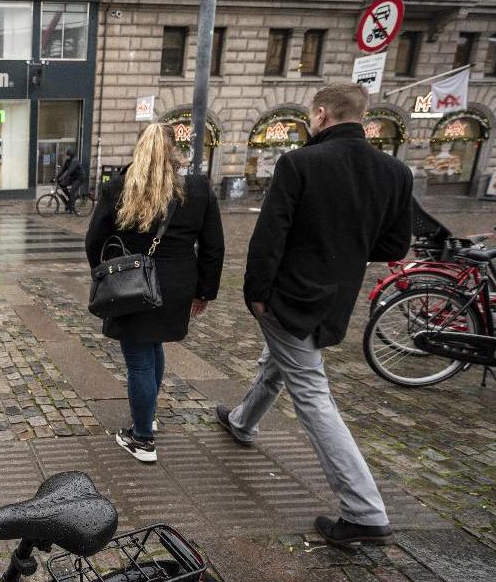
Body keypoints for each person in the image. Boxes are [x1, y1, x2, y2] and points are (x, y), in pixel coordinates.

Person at [214, 83, 413, 546]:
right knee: (281, 361)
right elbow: (394, 245)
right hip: (334, 298)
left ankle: (364, 510)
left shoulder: (300, 162)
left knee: (311, 392)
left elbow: (270, 236)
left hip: (288, 296)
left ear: (322, 114)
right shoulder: (395, 171)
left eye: (312, 115)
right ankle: (243, 421)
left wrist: (256, 294)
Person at [86, 124, 224, 463]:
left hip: (132, 284)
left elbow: (94, 240)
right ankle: (147, 415)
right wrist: (204, 291)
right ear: (173, 151)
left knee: (139, 361)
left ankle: (143, 437)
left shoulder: (118, 188)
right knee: (153, 346)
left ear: (139, 149)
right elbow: (213, 247)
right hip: (178, 285)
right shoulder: (197, 189)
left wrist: (103, 272)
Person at [56, 148, 85, 213]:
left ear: (71, 155)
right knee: (61, 184)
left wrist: (62, 178)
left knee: (72, 191)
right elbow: (63, 170)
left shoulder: (75, 161)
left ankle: (71, 208)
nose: (66, 156)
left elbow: (69, 171)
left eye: (68, 155)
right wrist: (56, 177)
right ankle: (71, 199)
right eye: (67, 155)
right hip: (72, 177)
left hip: (79, 178)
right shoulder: (67, 160)